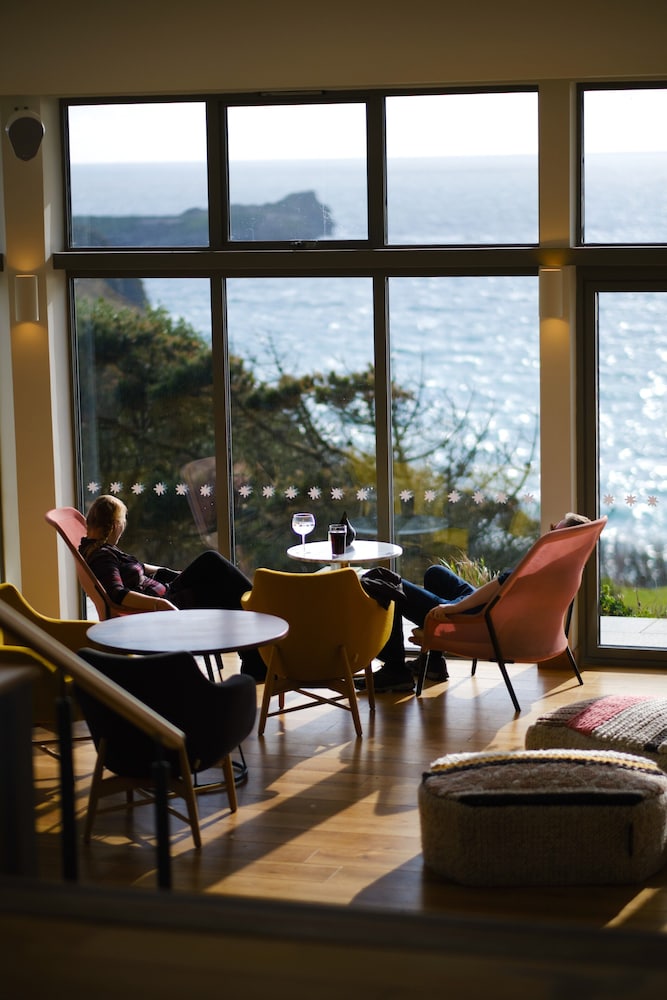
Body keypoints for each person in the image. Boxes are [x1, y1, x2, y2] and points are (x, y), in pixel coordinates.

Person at [357, 513, 591, 694]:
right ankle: (433, 664)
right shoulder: (566, 569)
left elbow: (496, 588)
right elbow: (497, 592)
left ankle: (395, 671)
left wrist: (454, 608)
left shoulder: (536, 569)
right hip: (489, 608)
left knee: (383, 581)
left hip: (476, 618)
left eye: (555, 530)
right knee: (435, 573)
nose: (550, 532)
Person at [79, 494, 266, 680]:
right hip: (166, 604)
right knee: (219, 578)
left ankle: (254, 654)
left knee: (215, 570)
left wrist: (171, 572)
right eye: (122, 522)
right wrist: (158, 604)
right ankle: (258, 628)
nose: (123, 527)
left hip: (167, 591)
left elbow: (138, 568)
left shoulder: (102, 549)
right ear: (114, 525)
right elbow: (117, 594)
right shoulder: (102, 556)